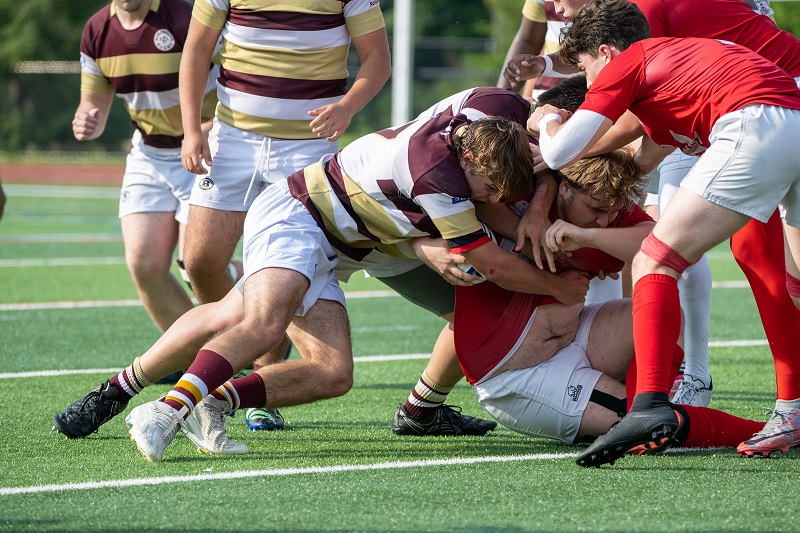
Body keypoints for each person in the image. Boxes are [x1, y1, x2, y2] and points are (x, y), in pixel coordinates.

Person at [528, 0, 800, 466]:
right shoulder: (677, 62)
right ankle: (792, 412)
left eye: (587, 67)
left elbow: (557, 151)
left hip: (758, 123)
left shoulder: (626, 63)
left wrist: (547, 116)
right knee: (793, 285)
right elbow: (638, 160)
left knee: (655, 257)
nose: (590, 81)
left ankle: (650, 404)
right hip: (790, 118)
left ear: (607, 52)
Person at [177, 0, 391, 432]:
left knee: (283, 274)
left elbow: (377, 59)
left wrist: (348, 107)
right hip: (232, 141)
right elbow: (196, 50)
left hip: (305, 151)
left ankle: (259, 378)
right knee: (199, 262)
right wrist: (191, 127)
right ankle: (249, 337)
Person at [457, 150, 764, 450]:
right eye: (595, 209)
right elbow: (478, 207)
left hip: (575, 339)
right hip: (516, 376)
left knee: (664, 316)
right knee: (648, 429)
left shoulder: (605, 209)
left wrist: (587, 236)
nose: (604, 221)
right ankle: (758, 432)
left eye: (611, 213)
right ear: (564, 188)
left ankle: (649, 400)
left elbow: (662, 243)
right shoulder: (514, 194)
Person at [70, 0, 217, 335]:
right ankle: (196, 359)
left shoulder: (186, 16)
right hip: (149, 154)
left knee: (195, 266)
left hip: (205, 149)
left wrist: (209, 129)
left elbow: (238, 82)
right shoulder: (96, 30)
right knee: (144, 265)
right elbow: (93, 104)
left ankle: (260, 309)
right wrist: (87, 120)